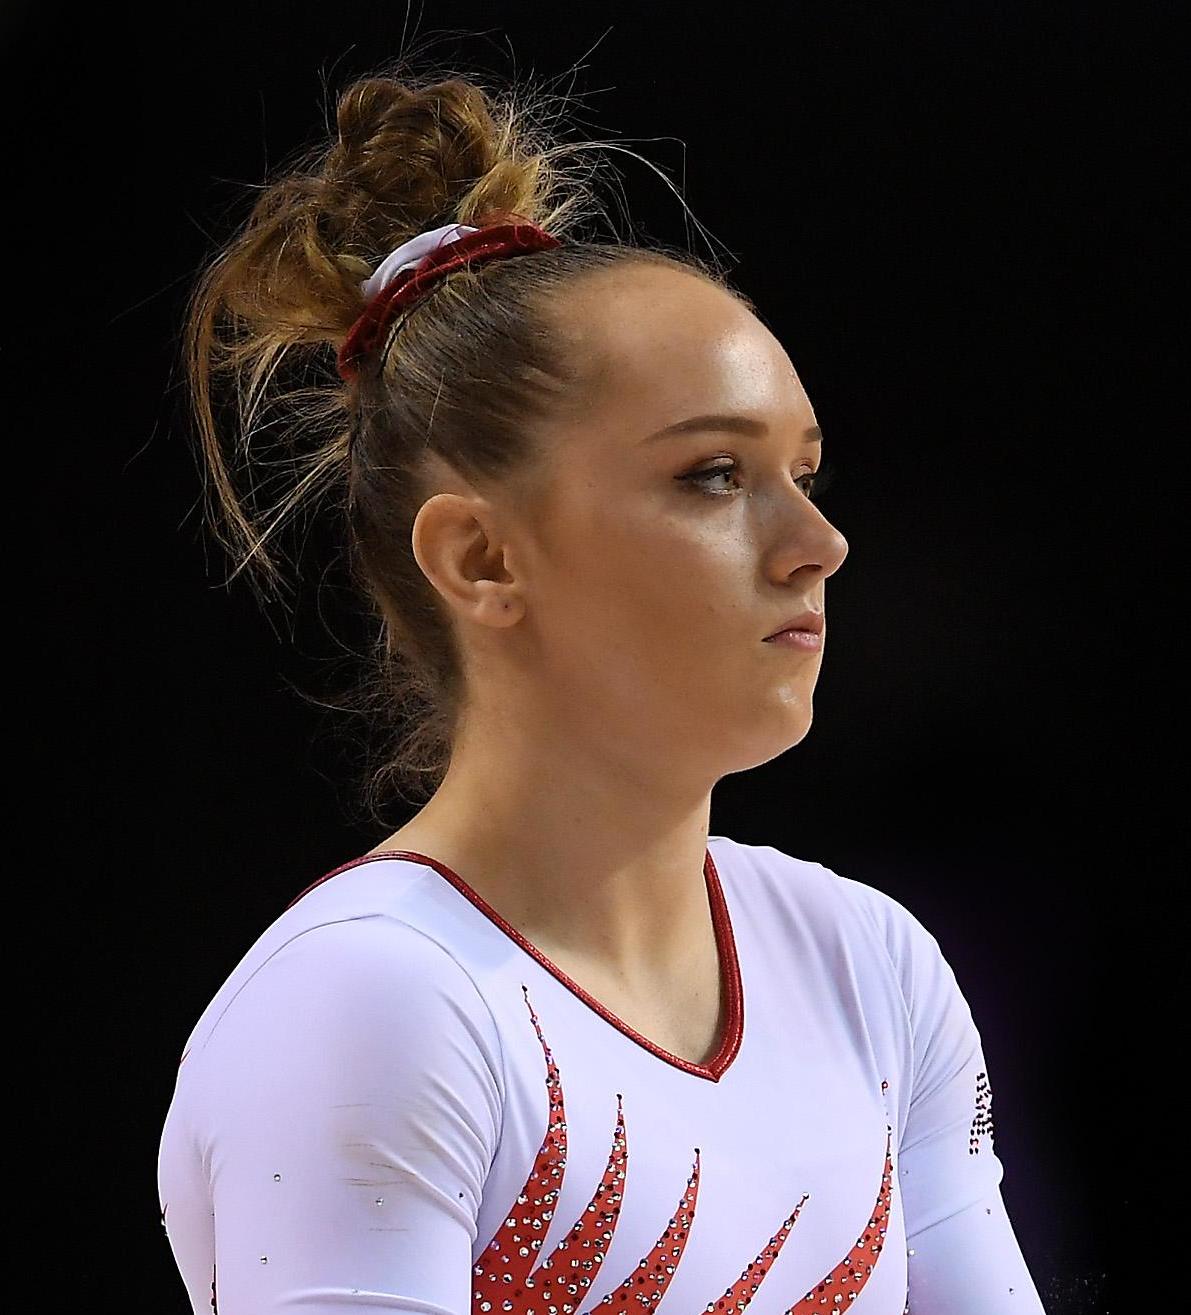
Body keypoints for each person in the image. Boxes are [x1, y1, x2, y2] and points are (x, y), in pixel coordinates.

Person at [156, 63, 1045, 1315]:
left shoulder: (865, 967)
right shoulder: (380, 1004)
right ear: (483, 557)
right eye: (713, 476)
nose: (817, 544)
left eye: (806, 471)